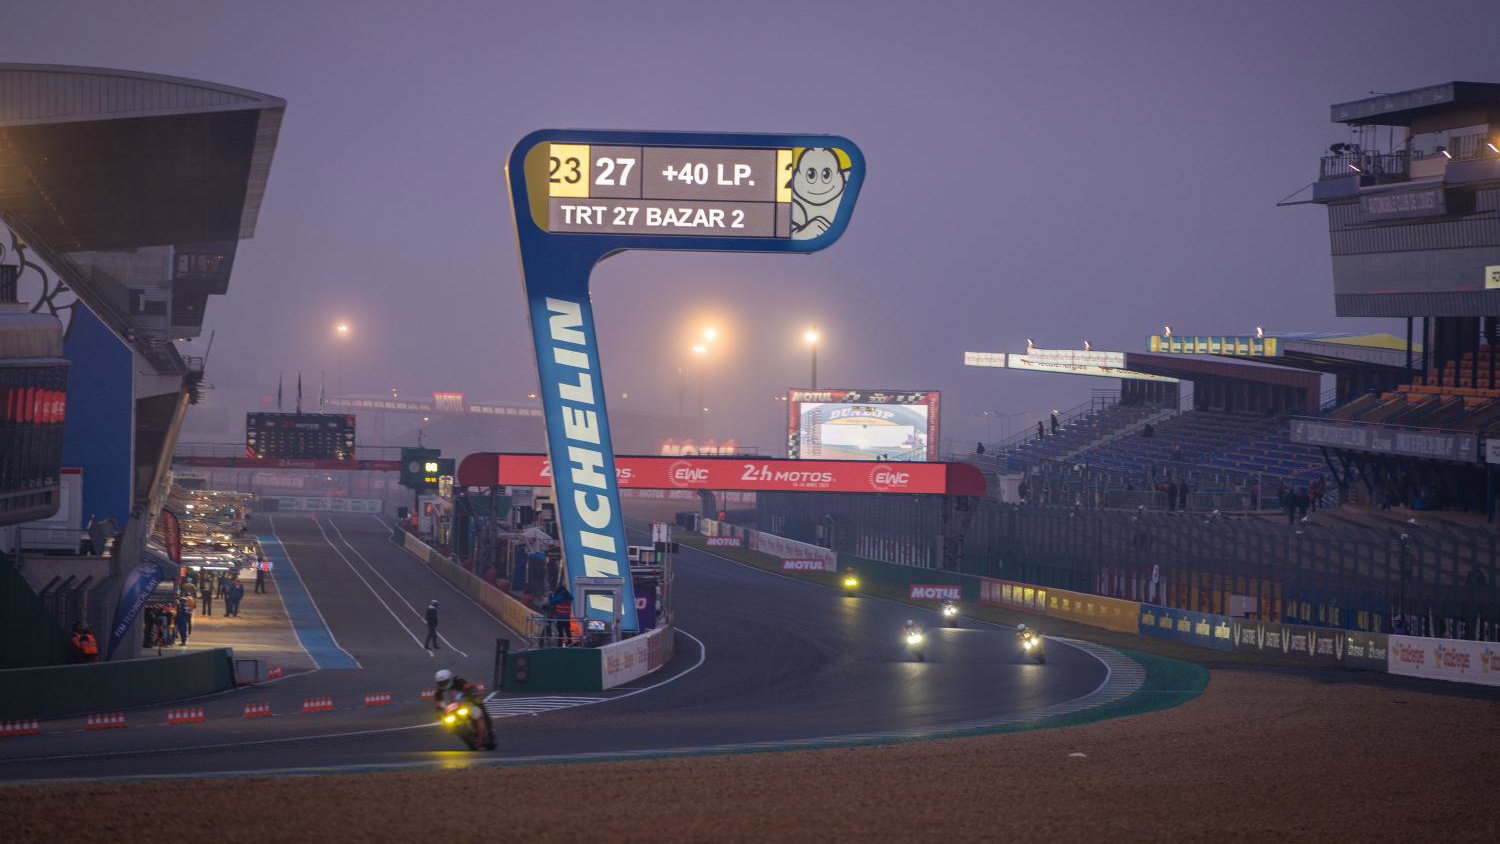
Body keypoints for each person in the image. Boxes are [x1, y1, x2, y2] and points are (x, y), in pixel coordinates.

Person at [433, 668, 495, 750]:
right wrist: (439, 712)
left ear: (450, 678)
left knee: (479, 705)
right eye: (441, 683)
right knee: (445, 721)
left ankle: (490, 731)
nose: (443, 684)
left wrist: (473, 694)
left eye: (445, 682)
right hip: (451, 708)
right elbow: (439, 704)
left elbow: (470, 687)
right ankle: (459, 732)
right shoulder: (438, 692)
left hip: (464, 701)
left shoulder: (458, 681)